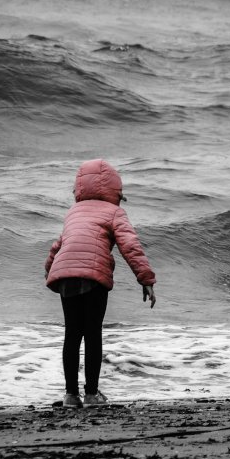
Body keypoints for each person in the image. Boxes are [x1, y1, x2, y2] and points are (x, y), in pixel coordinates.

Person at [45, 159, 157, 408]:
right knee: (92, 332)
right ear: (115, 191)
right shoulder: (115, 212)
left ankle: (70, 396)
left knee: (72, 334)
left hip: (65, 274)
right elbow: (130, 246)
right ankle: (92, 394)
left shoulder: (73, 212)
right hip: (93, 276)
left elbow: (58, 245)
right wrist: (146, 279)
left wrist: (49, 271)